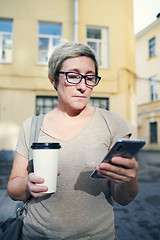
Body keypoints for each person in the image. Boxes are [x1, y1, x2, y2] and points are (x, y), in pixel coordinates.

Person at [7, 41, 139, 240]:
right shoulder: (31, 126)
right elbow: (13, 188)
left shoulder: (112, 123)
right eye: (73, 76)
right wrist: (27, 184)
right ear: (53, 79)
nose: (83, 86)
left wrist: (127, 178)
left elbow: (124, 198)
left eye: (90, 77)